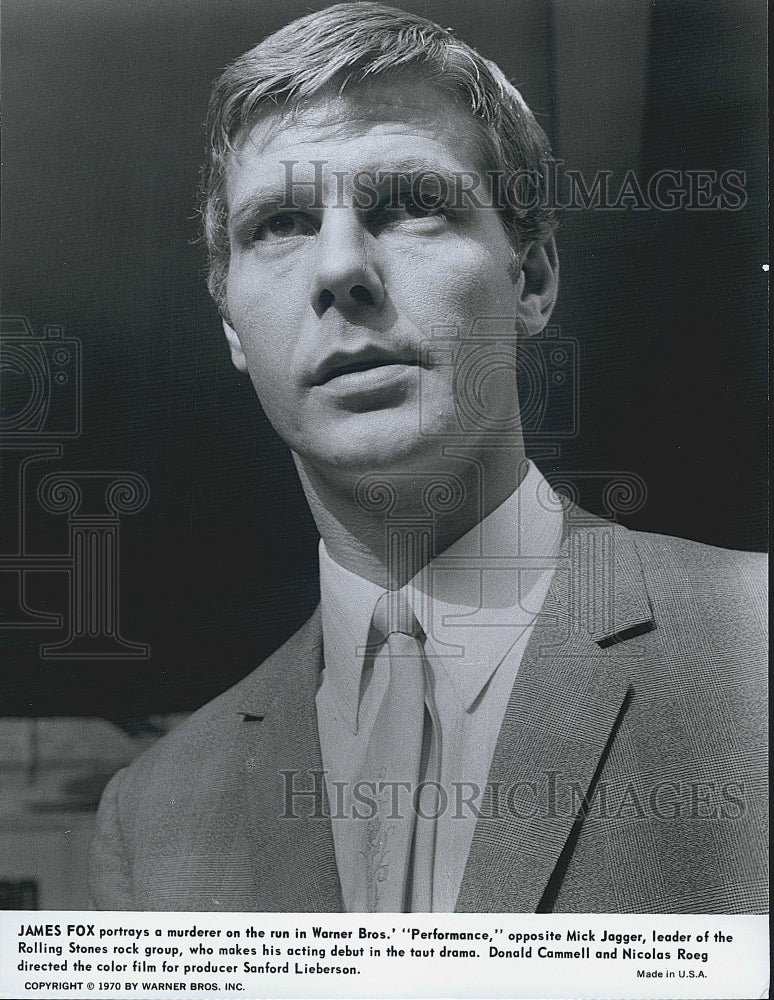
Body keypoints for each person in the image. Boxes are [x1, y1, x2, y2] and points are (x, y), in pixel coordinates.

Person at [90, 2, 767, 913]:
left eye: (410, 204)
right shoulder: (154, 813)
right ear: (231, 326)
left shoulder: (754, 650)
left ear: (530, 279)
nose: (340, 269)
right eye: (281, 223)